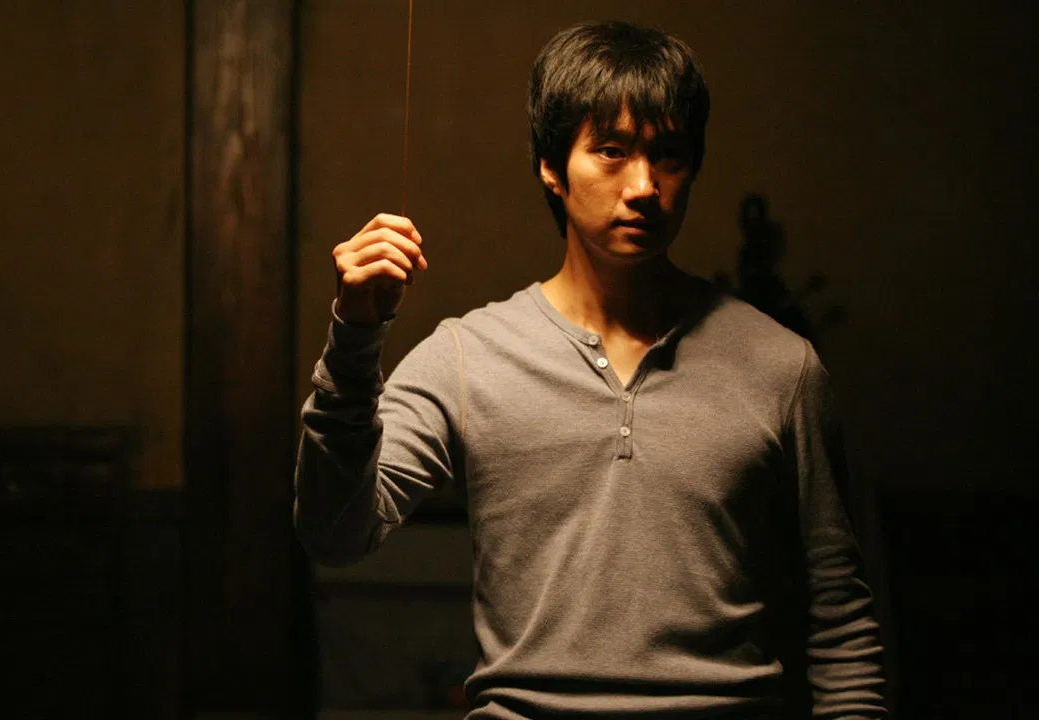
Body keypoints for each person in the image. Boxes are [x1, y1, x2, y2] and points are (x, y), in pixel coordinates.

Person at [295, 20, 886, 719]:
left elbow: (840, 617)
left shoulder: (781, 366)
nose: (644, 186)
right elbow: (335, 533)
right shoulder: (469, 357)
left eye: (668, 155)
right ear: (552, 166)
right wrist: (356, 333)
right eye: (611, 151)